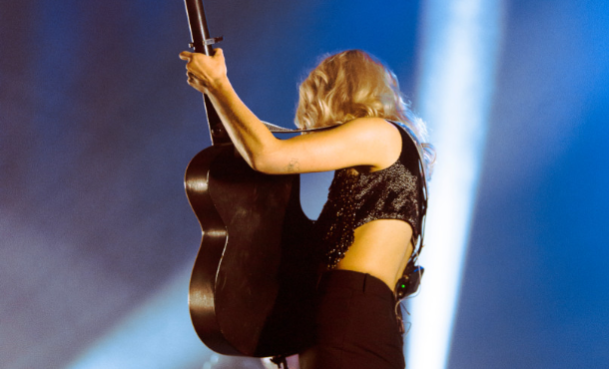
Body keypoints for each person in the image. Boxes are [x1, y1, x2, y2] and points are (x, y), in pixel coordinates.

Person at [180, 48, 434, 369]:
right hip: (361, 312)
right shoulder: (380, 155)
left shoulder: (379, 132)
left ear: (332, 92)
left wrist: (218, 84)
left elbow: (267, 156)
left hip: (353, 308)